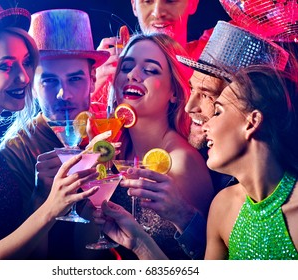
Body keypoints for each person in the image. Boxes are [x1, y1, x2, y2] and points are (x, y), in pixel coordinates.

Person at [96, 21, 292, 260]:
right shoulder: (225, 201)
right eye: (192, 90)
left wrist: (182, 216)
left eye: (210, 98)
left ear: (252, 118)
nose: (190, 106)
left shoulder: (196, 164)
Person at [0, 0, 99, 260]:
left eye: (26, 62)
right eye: (6, 66)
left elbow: (21, 247)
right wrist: (51, 207)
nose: (24, 77)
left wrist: (40, 195)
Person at [0, 9, 115, 259]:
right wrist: (41, 197)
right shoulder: (15, 149)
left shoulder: (110, 135)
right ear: (31, 83)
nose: (64, 94)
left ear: (93, 79)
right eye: (49, 81)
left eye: (75, 79)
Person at [109, 32, 214, 260]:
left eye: (150, 70)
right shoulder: (113, 151)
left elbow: (209, 255)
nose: (133, 75)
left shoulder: (181, 162)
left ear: (174, 92)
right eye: (126, 67)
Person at [203, 64, 298, 259]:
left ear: (252, 122)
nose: (206, 125)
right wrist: (140, 244)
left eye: (218, 112)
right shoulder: (223, 207)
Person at [91, 0, 211, 112]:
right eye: (147, 1)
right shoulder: (112, 74)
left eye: (170, 0)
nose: (157, 13)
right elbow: (78, 127)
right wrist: (88, 88)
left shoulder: (211, 53)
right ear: (134, 5)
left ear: (193, 3)